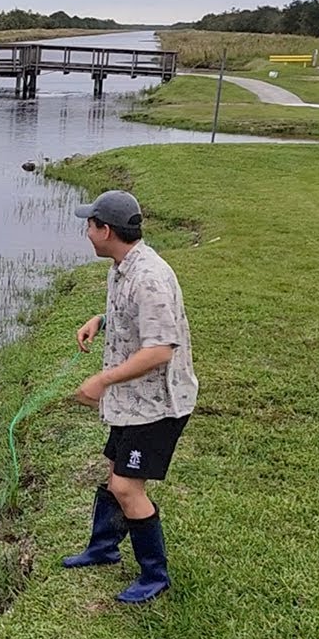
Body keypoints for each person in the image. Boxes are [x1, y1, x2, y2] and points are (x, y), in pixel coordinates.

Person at [62, 189, 198, 604]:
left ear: (106, 230)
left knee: (126, 487)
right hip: (131, 402)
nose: (86, 230)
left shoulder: (149, 277)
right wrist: (100, 320)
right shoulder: (123, 266)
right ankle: (103, 548)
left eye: (89, 224)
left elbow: (160, 350)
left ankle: (154, 574)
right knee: (112, 468)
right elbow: (131, 314)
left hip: (157, 405)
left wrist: (102, 381)